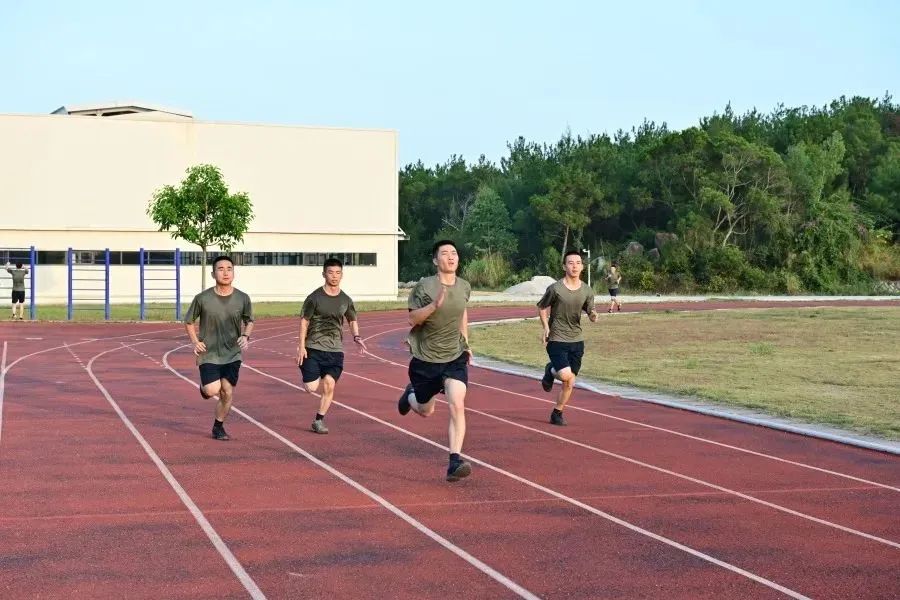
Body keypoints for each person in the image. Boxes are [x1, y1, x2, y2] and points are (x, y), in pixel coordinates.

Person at [397, 240, 473, 482]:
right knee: (426, 410)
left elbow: (462, 314)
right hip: (426, 359)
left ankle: (454, 461)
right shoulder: (424, 286)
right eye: (444, 253)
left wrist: (466, 343)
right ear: (435, 260)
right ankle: (410, 397)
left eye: (454, 253)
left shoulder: (464, 287)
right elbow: (412, 320)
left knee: (457, 403)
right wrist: (434, 305)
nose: (451, 257)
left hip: (454, 357)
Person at [183, 255, 254, 441]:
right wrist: (195, 341)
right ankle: (204, 388)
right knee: (212, 390)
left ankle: (218, 427)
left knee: (227, 391)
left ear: (233, 273)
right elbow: (189, 321)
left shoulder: (242, 298)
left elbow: (249, 321)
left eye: (229, 269)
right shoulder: (202, 298)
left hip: (232, 353)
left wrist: (246, 336)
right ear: (213, 273)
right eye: (221, 269)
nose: (225, 272)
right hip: (209, 353)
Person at [296, 257, 366, 434]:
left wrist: (356, 336)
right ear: (324, 274)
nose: (334, 276)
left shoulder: (346, 299)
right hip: (313, 347)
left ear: (342, 275)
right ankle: (305, 366)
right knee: (311, 388)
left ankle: (319, 420)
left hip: (335, 350)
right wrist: (301, 345)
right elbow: (304, 321)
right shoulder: (314, 298)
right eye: (330, 272)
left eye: (338, 273)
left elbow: (352, 320)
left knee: (329, 385)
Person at [538, 250, 598, 426]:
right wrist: (546, 328)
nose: (574, 266)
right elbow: (542, 307)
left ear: (582, 266)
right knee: (565, 376)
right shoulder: (555, 289)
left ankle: (557, 412)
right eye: (570, 263)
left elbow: (590, 309)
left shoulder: (587, 290)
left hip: (576, 340)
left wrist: (593, 315)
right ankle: (550, 371)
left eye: (578, 263)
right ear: (564, 266)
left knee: (570, 380)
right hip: (557, 338)